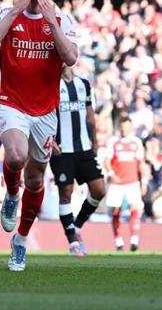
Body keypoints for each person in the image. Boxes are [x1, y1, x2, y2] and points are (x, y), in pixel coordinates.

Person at [0, 0, 78, 271]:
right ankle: (12, 193)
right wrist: (14, 11)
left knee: (35, 181)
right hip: (12, 103)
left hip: (46, 111)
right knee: (16, 154)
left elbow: (71, 58)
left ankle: (20, 240)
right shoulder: (9, 14)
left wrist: (51, 23)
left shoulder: (62, 20)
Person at [50, 65, 106, 256]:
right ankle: (72, 240)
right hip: (62, 150)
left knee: (99, 189)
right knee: (66, 192)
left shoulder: (83, 84)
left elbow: (89, 114)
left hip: (84, 148)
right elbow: (43, 114)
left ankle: (78, 225)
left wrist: (95, 140)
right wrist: (49, 139)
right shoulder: (51, 85)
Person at [104, 117, 145, 251]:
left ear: (131, 128)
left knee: (135, 208)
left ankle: (134, 240)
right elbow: (107, 161)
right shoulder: (113, 141)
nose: (124, 130)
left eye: (127, 127)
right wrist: (112, 174)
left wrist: (144, 181)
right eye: (122, 127)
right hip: (117, 183)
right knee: (116, 210)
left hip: (132, 181)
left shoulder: (136, 142)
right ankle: (119, 241)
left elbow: (141, 163)